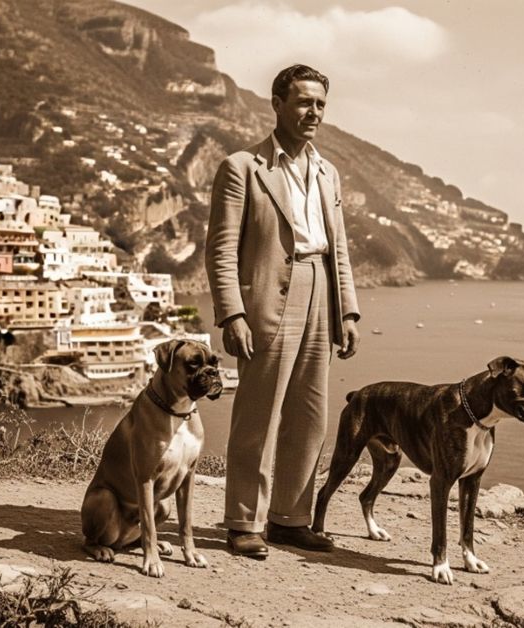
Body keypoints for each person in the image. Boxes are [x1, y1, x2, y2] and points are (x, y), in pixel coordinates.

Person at [205, 64, 360, 558]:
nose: (313, 112)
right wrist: (232, 315)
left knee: (310, 416)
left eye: (320, 104)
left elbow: (340, 249)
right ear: (276, 103)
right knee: (258, 414)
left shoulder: (328, 171)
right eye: (303, 102)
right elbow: (222, 249)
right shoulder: (242, 167)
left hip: (321, 290)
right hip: (270, 296)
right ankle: (244, 521)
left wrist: (349, 312)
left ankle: (291, 519)